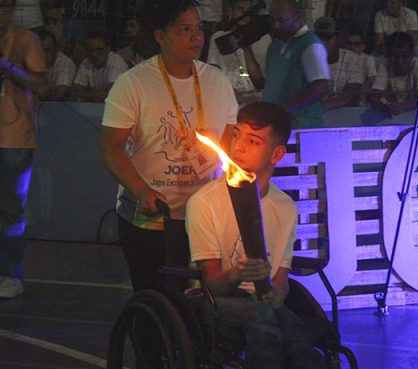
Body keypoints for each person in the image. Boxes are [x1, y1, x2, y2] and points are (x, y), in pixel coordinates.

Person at [186, 101, 328, 369]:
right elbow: (210, 285)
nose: (238, 146)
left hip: (261, 304)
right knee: (262, 319)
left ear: (276, 154)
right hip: (213, 303)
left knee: (298, 334)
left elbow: (281, 280)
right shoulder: (205, 202)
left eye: (253, 141)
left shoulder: (285, 207)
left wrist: (278, 292)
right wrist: (237, 274)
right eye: (236, 135)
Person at [100, 0, 237, 293]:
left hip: (205, 219)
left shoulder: (218, 82)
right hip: (151, 217)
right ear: (161, 36)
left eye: (199, 28)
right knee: (156, 297)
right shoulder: (133, 83)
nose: (196, 37)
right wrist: (142, 191)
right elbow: (111, 148)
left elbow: (228, 147)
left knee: (206, 299)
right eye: (185, 30)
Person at [0, 0, 47, 299]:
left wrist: (10, 67)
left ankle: (10, 274)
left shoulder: (25, 39)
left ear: (14, 9)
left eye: (5, 6)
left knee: (9, 210)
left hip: (14, 137)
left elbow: (41, 83)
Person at [243, 0, 330, 128]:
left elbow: (320, 87)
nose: (276, 26)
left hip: (302, 125)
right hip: (277, 124)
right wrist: (246, 48)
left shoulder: (310, 44)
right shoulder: (275, 45)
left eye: (281, 20)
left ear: (298, 17)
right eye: (272, 21)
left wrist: (281, 109)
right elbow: (260, 83)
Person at [207, 0, 271, 106]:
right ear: (231, 11)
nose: (244, 14)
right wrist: (229, 91)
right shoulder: (218, 38)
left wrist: (247, 47)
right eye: (240, 9)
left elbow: (259, 82)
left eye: (248, 10)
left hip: (254, 100)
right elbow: (213, 72)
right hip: (226, 97)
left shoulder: (264, 39)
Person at [314, 16, 364, 111]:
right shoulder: (310, 60)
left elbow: (351, 98)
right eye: (319, 38)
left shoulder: (353, 59)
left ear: (338, 38)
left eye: (328, 38)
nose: (323, 43)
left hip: (346, 113)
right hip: (319, 114)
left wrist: (318, 108)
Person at [367, 31, 418, 117]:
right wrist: (383, 106)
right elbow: (375, 94)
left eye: (404, 56)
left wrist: (402, 106)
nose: (400, 61)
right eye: (395, 56)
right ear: (388, 55)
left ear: (412, 55)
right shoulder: (386, 63)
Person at [71, 31, 129, 102]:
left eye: (99, 49)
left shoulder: (116, 60)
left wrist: (87, 93)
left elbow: (110, 95)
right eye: (90, 50)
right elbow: (74, 91)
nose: (94, 54)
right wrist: (94, 94)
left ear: (108, 48)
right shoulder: (86, 62)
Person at [37, 29, 76, 100]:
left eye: (46, 50)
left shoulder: (65, 63)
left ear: (56, 49)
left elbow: (60, 92)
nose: (42, 55)